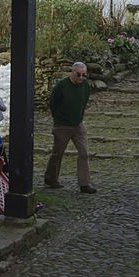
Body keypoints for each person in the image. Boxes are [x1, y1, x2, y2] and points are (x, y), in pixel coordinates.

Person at [44, 62, 97, 194]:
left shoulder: (85, 85)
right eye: (78, 74)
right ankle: (51, 178)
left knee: (84, 153)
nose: (81, 77)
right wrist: (59, 119)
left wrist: (79, 116)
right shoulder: (62, 85)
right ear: (72, 72)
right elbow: (53, 103)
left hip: (78, 124)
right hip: (62, 125)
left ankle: (84, 184)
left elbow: (84, 101)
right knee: (57, 153)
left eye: (83, 75)